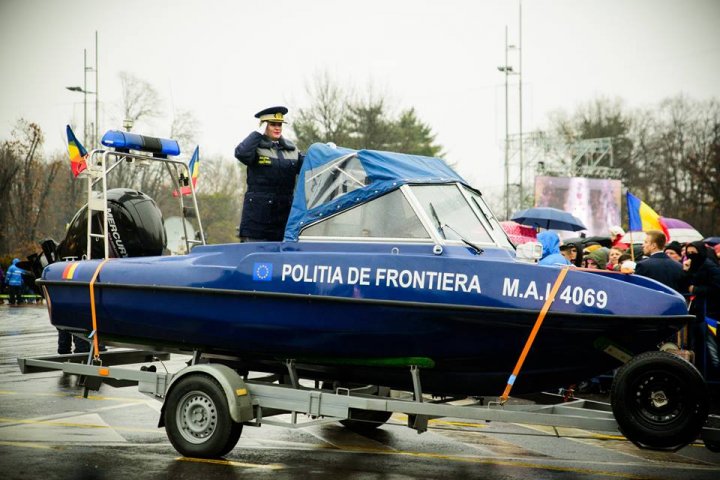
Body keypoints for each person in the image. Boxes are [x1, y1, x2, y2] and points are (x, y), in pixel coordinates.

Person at [234, 106, 304, 242]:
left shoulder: (291, 149)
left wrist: (325, 151)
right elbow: (241, 153)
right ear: (263, 125)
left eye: (280, 125)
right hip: (258, 221)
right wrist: (257, 134)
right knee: (258, 261)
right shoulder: (255, 147)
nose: (277, 128)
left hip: (283, 221)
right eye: (272, 124)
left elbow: (308, 167)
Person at [682, 240, 720, 369]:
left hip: (709, 312)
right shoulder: (694, 265)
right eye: (689, 253)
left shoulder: (709, 266)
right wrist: (686, 271)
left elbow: (716, 287)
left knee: (709, 347)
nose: (691, 255)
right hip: (696, 311)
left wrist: (696, 290)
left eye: (694, 252)